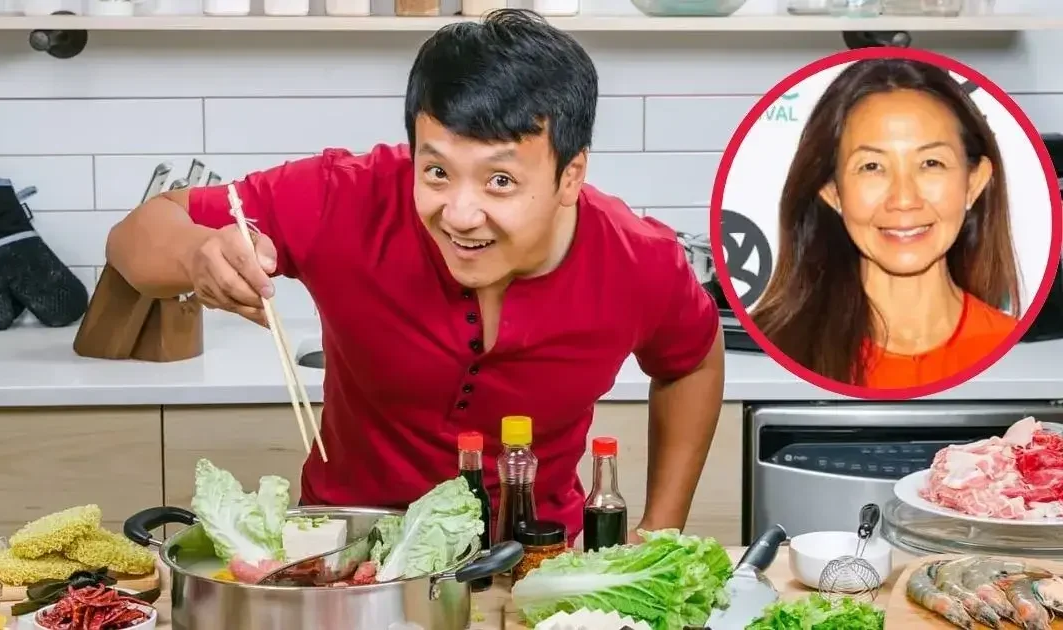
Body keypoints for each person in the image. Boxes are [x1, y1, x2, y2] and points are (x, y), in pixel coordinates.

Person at [106, 9, 725, 545]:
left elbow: (692, 359)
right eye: (437, 173)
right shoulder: (345, 196)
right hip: (349, 550)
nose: (459, 214)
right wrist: (197, 254)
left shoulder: (639, 259)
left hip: (529, 557)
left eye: (500, 181)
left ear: (571, 175)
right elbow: (136, 236)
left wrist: (661, 526)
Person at [750, 58, 1020, 389]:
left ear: (974, 183)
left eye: (931, 163)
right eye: (872, 167)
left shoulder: (1016, 352)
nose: (904, 199)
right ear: (833, 192)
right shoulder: (768, 350)